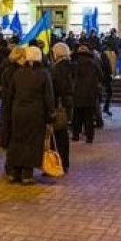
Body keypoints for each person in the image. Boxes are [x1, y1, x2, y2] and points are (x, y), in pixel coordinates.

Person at [1, 46, 56, 185]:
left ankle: (13, 172)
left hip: (17, 111)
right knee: (32, 143)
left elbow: (10, 95)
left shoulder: (18, 73)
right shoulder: (43, 74)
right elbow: (49, 97)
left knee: (17, 140)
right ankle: (26, 174)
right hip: (36, 113)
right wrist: (51, 115)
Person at [50, 42, 75, 172]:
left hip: (59, 105)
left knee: (57, 136)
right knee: (63, 135)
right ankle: (64, 163)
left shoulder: (58, 68)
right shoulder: (71, 66)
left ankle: (57, 163)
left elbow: (56, 88)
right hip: (68, 104)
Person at [72, 45, 102, 143]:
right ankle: (90, 137)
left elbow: (72, 78)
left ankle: (76, 135)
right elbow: (101, 75)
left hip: (78, 94)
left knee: (77, 117)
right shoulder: (93, 63)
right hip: (90, 94)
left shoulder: (76, 64)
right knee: (89, 117)